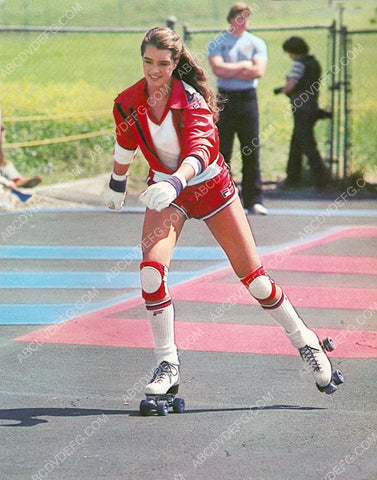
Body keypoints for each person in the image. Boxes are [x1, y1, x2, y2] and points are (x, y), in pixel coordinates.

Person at [104, 26, 342, 404]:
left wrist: (174, 183)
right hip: (170, 193)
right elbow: (125, 140)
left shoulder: (194, 101)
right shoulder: (129, 100)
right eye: (148, 62)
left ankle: (306, 340)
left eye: (163, 64)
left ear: (176, 62)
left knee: (256, 280)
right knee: (151, 269)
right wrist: (117, 184)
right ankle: (168, 365)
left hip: (209, 188)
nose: (154, 70)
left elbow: (199, 151)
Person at [207, 2, 268, 215]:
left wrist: (235, 69)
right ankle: (223, 197)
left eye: (246, 17)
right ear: (231, 19)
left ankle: (254, 199)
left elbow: (258, 71)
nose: (243, 22)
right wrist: (243, 66)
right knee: (223, 150)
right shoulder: (218, 42)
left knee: (251, 148)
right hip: (225, 98)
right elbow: (218, 69)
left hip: (248, 98)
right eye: (239, 17)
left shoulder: (256, 43)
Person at [277, 36, 331, 190]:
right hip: (312, 107)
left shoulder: (298, 64)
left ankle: (321, 181)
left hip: (301, 110)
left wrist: (283, 89)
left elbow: (290, 86)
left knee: (307, 145)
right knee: (297, 143)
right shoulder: (313, 63)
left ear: (293, 51)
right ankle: (293, 178)